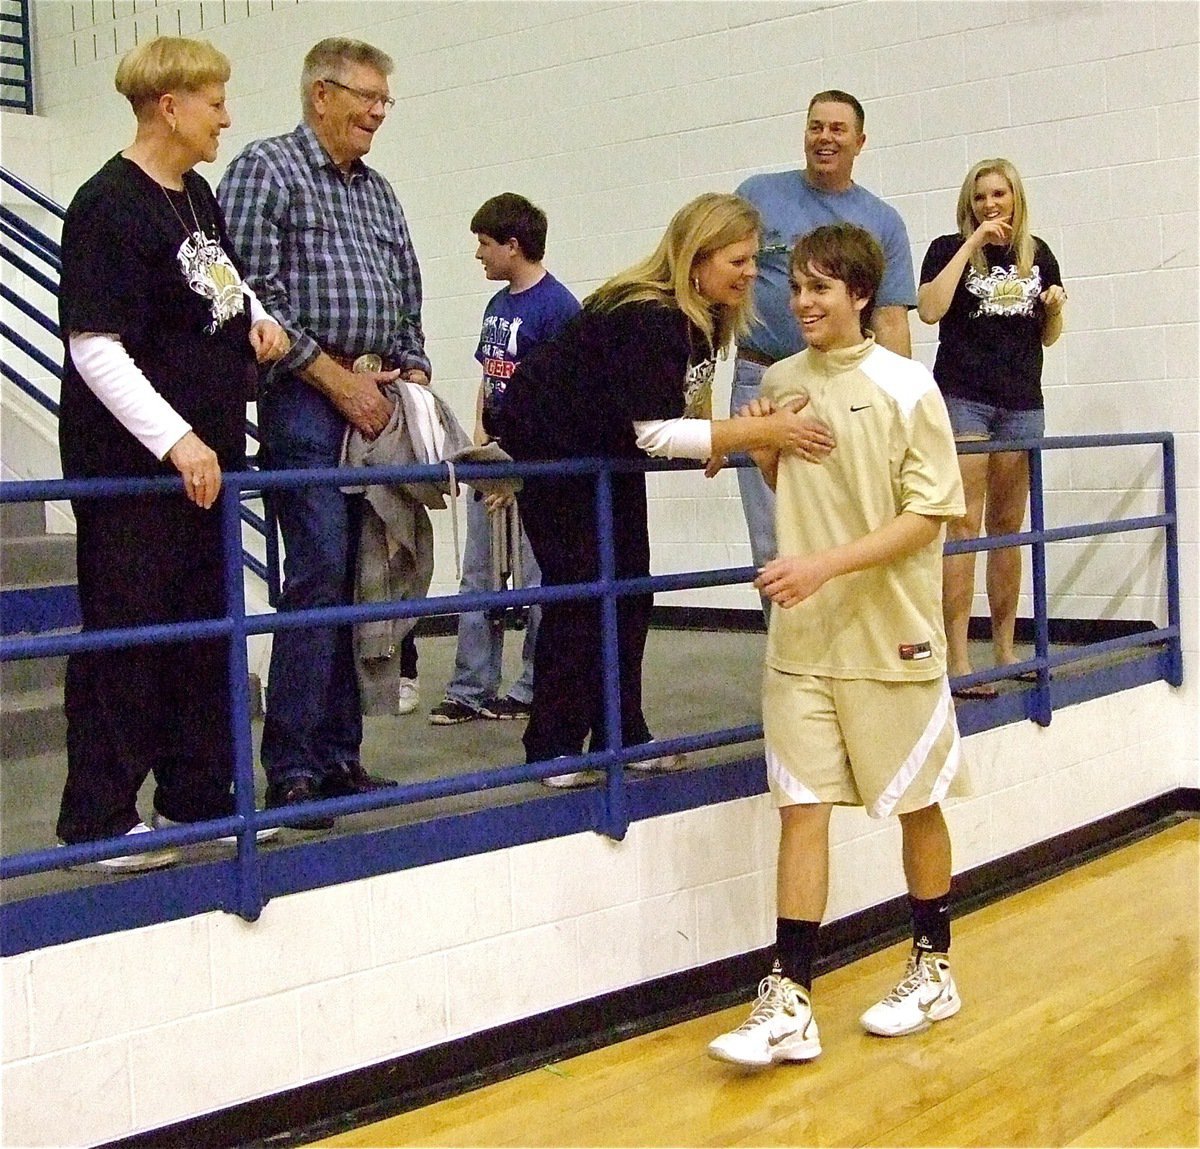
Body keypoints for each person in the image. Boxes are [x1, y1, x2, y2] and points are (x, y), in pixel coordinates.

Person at [707, 224, 968, 1067]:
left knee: (916, 801)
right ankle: (790, 996)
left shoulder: (906, 386)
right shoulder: (781, 380)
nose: (804, 302)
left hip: (890, 634)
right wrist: (762, 443)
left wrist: (823, 564)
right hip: (801, 638)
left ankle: (933, 963)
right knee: (801, 807)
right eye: (798, 287)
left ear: (860, 294)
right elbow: (792, 484)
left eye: (823, 288)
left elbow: (928, 514)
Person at [494, 192, 835, 788]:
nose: (752, 272)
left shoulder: (700, 318)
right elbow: (653, 431)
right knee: (581, 597)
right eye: (739, 260)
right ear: (697, 258)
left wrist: (712, 436)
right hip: (559, 458)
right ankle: (552, 748)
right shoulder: (647, 315)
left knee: (629, 593)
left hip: (605, 459)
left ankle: (622, 735)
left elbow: (681, 402)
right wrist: (757, 430)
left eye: (754, 259)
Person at [55, 37, 289, 868]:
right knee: (130, 637)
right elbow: (96, 346)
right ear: (171, 106)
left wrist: (257, 317)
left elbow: (220, 283)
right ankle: (99, 818)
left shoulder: (196, 196)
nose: (226, 116)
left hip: (206, 469)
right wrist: (176, 439)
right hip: (134, 476)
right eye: (215, 101)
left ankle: (197, 798)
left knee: (201, 637)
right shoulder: (106, 207)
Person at [218, 38, 431, 824]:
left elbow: (407, 292)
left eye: (385, 100)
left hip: (377, 394)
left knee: (364, 574)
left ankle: (341, 756)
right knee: (315, 571)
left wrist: (410, 374)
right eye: (367, 97)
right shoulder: (265, 170)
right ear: (320, 96)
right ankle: (294, 768)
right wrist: (336, 380)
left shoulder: (378, 194)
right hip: (305, 399)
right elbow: (253, 295)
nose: (379, 112)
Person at [733, 90, 917, 612]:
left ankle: (842, 664)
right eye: (816, 126)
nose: (825, 138)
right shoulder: (757, 196)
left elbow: (891, 318)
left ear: (860, 142)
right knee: (773, 538)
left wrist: (902, 399)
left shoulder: (882, 221)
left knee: (846, 524)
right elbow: (716, 279)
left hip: (847, 387)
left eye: (838, 129)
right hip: (763, 381)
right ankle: (788, 670)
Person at [429, 194, 580, 726]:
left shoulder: (559, 309)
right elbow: (489, 380)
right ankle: (470, 687)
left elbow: (559, 397)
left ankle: (534, 685)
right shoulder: (497, 307)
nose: (479, 256)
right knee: (479, 577)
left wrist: (516, 468)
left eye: (485, 244)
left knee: (539, 582)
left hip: (534, 467)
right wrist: (483, 454)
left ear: (513, 247)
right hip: (496, 457)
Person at [918, 159, 1066, 698]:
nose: (991, 204)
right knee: (963, 529)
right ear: (969, 202)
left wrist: (1054, 305)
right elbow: (929, 311)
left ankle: (1004, 647)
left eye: (999, 194)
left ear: (1015, 197)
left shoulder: (1037, 253)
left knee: (1009, 530)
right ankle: (957, 658)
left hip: (1021, 403)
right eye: (980, 196)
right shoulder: (945, 247)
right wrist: (972, 242)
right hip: (964, 400)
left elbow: (1048, 336)